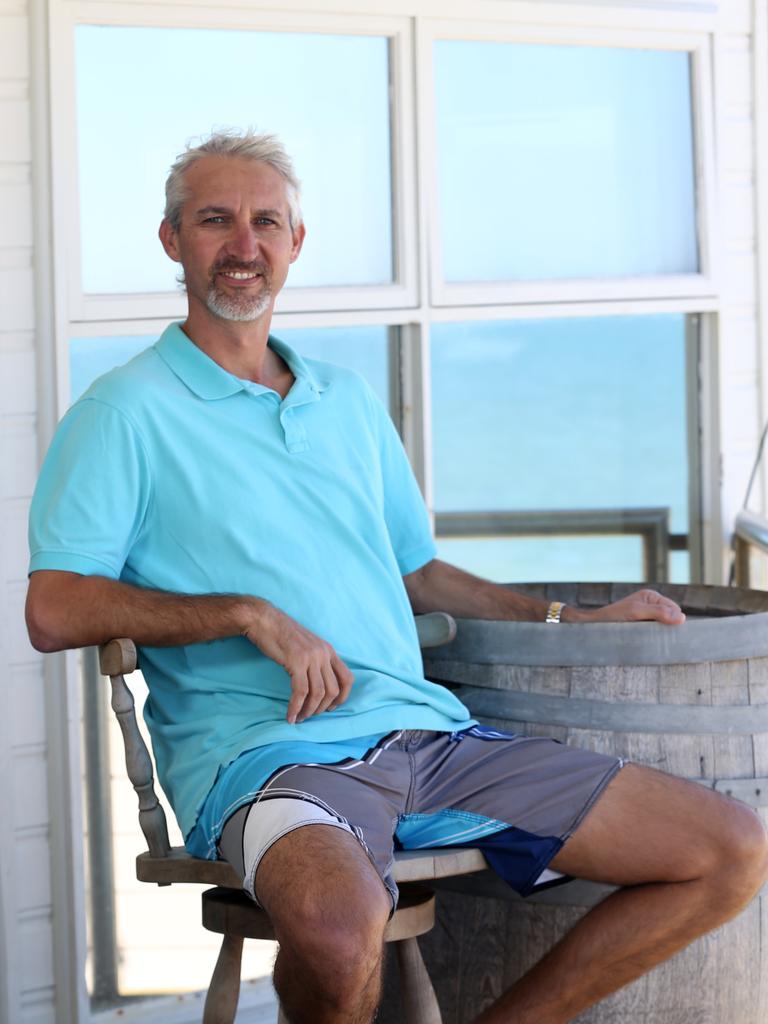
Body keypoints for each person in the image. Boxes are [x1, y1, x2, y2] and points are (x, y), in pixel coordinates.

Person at [26, 129, 767, 1024]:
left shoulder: (345, 399)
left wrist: (565, 616)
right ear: (171, 241)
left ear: (296, 244)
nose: (244, 245)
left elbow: (416, 571)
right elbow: (55, 607)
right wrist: (246, 614)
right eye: (216, 220)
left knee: (727, 850)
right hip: (271, 758)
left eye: (267, 222)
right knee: (340, 933)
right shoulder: (122, 413)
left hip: (428, 737)